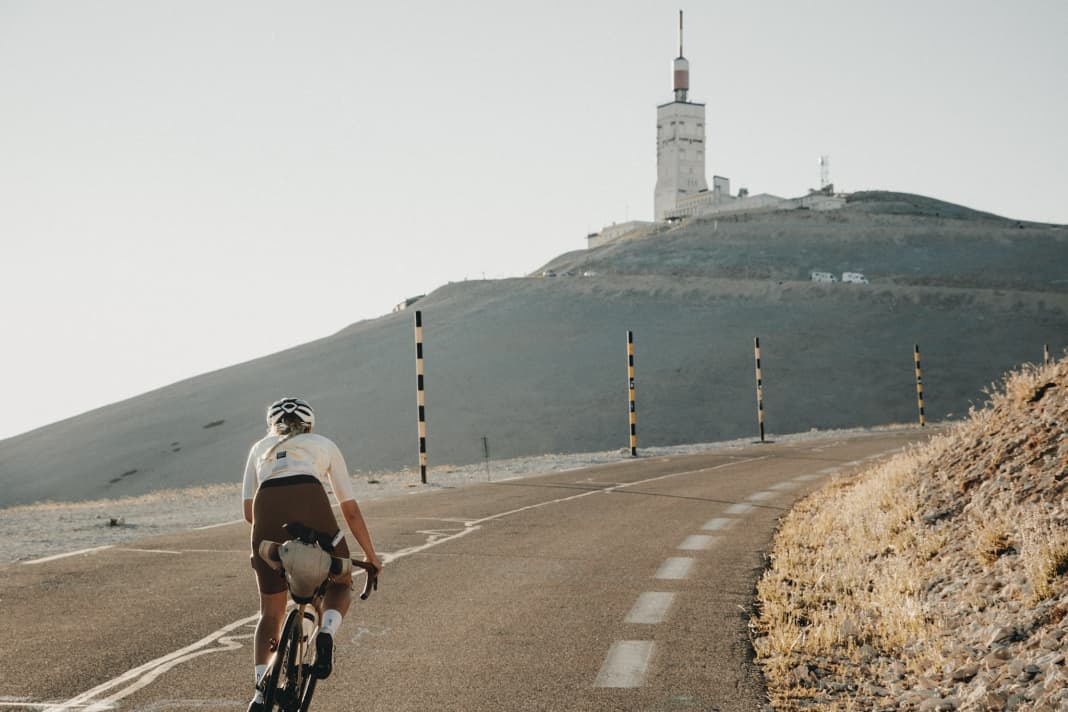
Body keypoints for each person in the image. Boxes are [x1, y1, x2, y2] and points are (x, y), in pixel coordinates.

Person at [242, 396, 381, 712]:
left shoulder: (259, 448)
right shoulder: (323, 443)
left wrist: (276, 536)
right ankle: (327, 633)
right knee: (340, 582)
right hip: (313, 504)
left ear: (272, 425)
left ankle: (261, 691)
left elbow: (248, 511)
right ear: (309, 424)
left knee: (270, 612)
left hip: (267, 517)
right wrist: (371, 556)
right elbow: (350, 509)